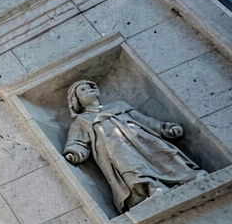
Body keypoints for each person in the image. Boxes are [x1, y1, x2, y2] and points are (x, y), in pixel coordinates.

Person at [63, 79, 204, 211]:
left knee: (163, 152)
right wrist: (74, 153)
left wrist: (164, 128)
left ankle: (188, 175)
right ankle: (152, 189)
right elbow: (78, 141)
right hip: (114, 149)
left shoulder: (118, 105)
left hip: (141, 138)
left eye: (90, 87)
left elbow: (143, 120)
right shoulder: (81, 120)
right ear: (76, 100)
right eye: (82, 90)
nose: (89, 90)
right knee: (133, 168)